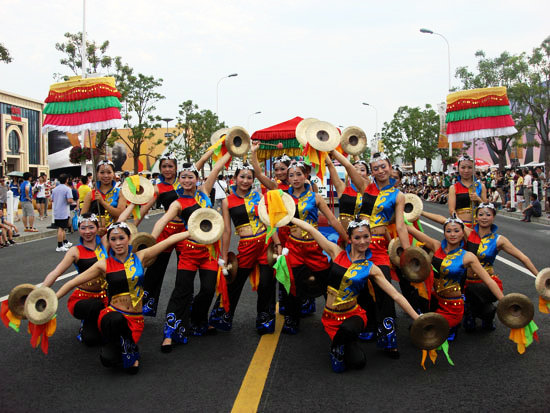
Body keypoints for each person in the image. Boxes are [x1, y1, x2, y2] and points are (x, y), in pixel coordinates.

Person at [56, 221, 191, 374]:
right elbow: (72, 282)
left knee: (111, 359)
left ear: (129, 238)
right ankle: (124, 347)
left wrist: (191, 232)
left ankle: (127, 347)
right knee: (110, 348)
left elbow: (168, 241)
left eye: (121, 238)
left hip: (134, 319)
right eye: (113, 239)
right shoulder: (103, 265)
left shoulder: (140, 257)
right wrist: (53, 299)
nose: (117, 243)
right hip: (112, 316)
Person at [291, 217, 419, 372]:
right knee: (356, 361)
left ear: (371, 238)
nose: (362, 241)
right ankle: (342, 343)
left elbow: (396, 295)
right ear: (350, 239)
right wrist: (289, 217)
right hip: (331, 317)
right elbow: (311, 229)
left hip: (353, 315)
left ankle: (336, 347)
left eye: (366, 237)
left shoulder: (372, 268)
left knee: (354, 349)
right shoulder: (336, 252)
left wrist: (418, 318)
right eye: (357, 237)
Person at [334, 151, 411, 356]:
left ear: (390, 167)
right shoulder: (365, 186)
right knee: (359, 287)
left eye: (383, 166)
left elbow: (401, 226)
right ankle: (367, 325)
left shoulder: (398, 195)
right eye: (375, 168)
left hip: (377, 247)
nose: (380, 170)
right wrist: (332, 149)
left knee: (384, 289)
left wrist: (408, 253)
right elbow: (349, 166)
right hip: (359, 244)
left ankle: (388, 337)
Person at [151, 151, 229, 352]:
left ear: (197, 179)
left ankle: (196, 319)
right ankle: (170, 333)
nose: (186, 180)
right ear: (179, 180)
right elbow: (162, 220)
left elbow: (218, 166)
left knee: (208, 289)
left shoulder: (205, 192)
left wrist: (229, 146)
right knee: (181, 291)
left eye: (190, 176)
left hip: (209, 252)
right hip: (189, 251)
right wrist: (151, 242)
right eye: (183, 177)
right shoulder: (177, 203)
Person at [422, 204, 538, 330]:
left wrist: (539, 277)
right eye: (481, 214)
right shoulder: (467, 233)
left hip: (486, 283)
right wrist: (419, 212)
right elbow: (443, 220)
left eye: (488, 214)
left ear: (493, 217)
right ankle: (467, 314)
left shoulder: (499, 240)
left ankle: (486, 314)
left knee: (476, 296)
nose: (484, 218)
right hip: (465, 281)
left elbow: (523, 258)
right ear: (476, 217)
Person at [406, 215, 504, 341]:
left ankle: (464, 319)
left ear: (463, 233)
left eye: (456, 231)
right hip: (436, 300)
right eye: (449, 231)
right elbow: (411, 230)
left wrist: (503, 301)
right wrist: (401, 213)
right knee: (417, 330)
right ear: (444, 233)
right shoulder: (436, 246)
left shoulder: (468, 257)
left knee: (433, 337)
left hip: (452, 306)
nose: (452, 234)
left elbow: (488, 280)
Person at [209, 162, 281, 334]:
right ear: (234, 178)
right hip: (246, 246)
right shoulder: (227, 201)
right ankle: (222, 317)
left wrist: (277, 243)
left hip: (265, 243)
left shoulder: (259, 196)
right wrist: (224, 255)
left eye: (249, 177)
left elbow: (268, 221)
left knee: (266, 284)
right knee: (234, 281)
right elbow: (227, 230)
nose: (245, 180)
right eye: (242, 176)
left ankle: (264, 318)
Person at [138, 151, 212, 317]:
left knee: (185, 272)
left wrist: (219, 145)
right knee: (155, 268)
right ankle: (145, 305)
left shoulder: (184, 180)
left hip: (186, 232)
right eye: (164, 166)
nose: (167, 169)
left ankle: (185, 307)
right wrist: (130, 229)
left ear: (176, 168)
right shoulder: (158, 187)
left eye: (170, 166)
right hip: (166, 230)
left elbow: (201, 160)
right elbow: (144, 210)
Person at [279, 160, 347, 335]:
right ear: (287, 178)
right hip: (293, 247)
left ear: (306, 175)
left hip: (313, 247)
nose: (295, 178)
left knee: (327, 280)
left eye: (299, 174)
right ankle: (292, 317)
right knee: (291, 282)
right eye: (291, 175)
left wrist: (346, 237)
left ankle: (334, 314)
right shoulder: (283, 198)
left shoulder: (315, 198)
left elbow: (332, 219)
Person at [43, 213, 108, 344]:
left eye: (91, 227)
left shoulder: (106, 242)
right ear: (78, 229)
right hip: (83, 299)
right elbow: (56, 272)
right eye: (83, 228)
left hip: (105, 295)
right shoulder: (75, 251)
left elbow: (123, 222)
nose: (87, 231)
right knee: (90, 339)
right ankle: (87, 324)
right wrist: (40, 293)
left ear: (97, 228)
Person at [81, 160, 128, 233]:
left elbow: (121, 213)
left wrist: (102, 202)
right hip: (94, 235)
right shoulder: (90, 194)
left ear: (114, 174)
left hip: (115, 235)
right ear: (97, 174)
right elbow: (82, 219)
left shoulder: (120, 193)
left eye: (109, 172)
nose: (106, 176)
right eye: (102, 172)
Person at [448, 155, 487, 227]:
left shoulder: (481, 186)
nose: (466, 170)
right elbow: (451, 210)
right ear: (458, 168)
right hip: (461, 226)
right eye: (463, 167)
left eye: (470, 167)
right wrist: (460, 225)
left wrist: (478, 199)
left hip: (478, 226)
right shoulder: (453, 188)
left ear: (474, 169)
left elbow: (487, 209)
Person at [51, 174, 75, 252]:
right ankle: (59, 245)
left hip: (57, 210)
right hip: (64, 210)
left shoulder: (55, 189)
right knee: (61, 229)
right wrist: (74, 203)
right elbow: (69, 200)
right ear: (67, 180)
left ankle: (65, 242)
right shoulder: (67, 189)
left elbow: (52, 200)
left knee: (62, 227)